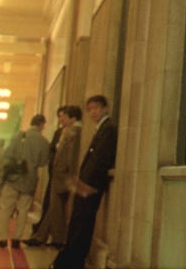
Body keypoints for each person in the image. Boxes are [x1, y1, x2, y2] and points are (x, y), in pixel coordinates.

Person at [51, 94, 116, 269]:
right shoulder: (100, 128)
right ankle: (71, 258)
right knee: (78, 220)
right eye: (89, 110)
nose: (92, 112)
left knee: (83, 222)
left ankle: (74, 260)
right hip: (85, 183)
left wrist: (87, 183)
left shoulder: (108, 128)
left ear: (105, 109)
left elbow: (101, 158)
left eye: (96, 108)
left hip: (92, 185)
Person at [0, 114, 53, 249]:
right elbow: (44, 162)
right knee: (23, 209)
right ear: (42, 125)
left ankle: (1, 238)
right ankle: (17, 238)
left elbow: (8, 154)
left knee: (6, 208)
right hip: (30, 179)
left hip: (14, 177)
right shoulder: (44, 141)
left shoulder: (20, 135)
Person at [26, 104, 81, 248]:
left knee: (56, 208)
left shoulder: (74, 132)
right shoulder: (62, 132)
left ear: (71, 118)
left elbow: (71, 157)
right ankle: (43, 237)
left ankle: (55, 238)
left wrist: (69, 176)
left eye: (63, 117)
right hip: (57, 175)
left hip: (63, 176)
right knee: (53, 208)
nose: (61, 120)